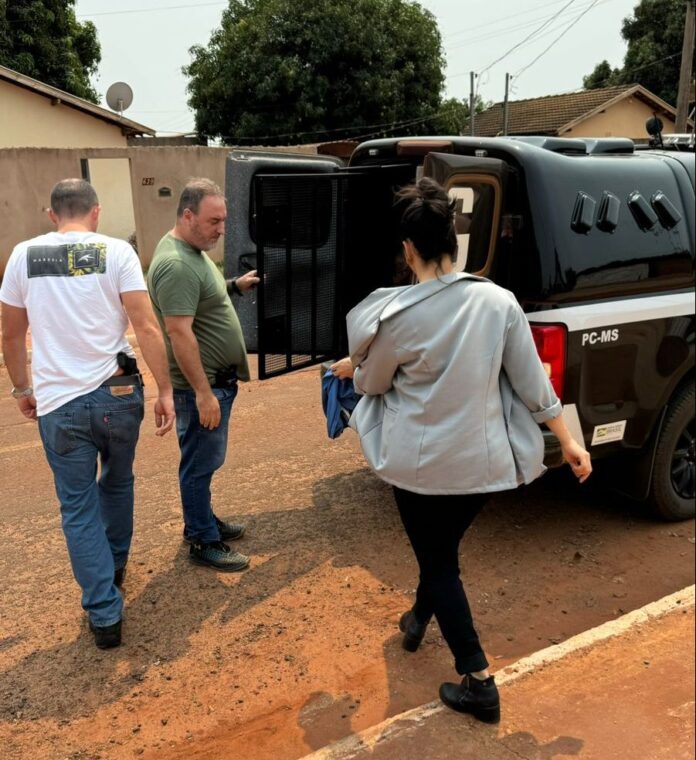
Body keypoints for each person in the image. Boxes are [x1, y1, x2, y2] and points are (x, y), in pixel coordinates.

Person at [330, 177, 591, 724]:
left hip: (419, 468)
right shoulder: (500, 303)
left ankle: (478, 680)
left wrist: (352, 367)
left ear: (407, 249)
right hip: (484, 466)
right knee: (440, 550)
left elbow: (373, 385)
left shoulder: (395, 314)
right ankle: (419, 616)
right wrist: (568, 442)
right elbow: (532, 383)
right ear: (455, 239)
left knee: (438, 559)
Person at [0, 178, 175, 650]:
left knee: (77, 506)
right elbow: (145, 325)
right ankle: (114, 564)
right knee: (117, 482)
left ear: (53, 214)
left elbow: (12, 336)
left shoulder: (23, 256)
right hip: (118, 395)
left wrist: (21, 388)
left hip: (59, 404)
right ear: (95, 213)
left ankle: (104, 613)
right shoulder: (117, 252)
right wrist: (166, 389)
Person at [147, 178, 259, 572]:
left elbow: (202, 295)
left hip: (213, 382)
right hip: (203, 386)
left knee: (203, 461)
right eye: (214, 221)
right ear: (188, 215)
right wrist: (203, 393)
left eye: (224, 220)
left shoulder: (191, 251)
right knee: (199, 464)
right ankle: (201, 539)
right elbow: (179, 332)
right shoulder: (176, 264)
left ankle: (203, 519)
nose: (221, 229)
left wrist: (233, 286)